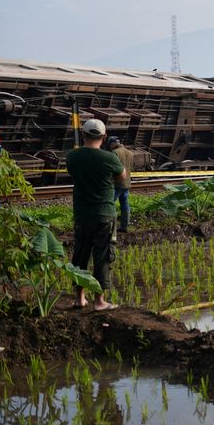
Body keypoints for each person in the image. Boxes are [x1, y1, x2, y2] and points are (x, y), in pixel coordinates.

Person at [66, 119, 126, 310]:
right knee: (103, 257)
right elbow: (121, 177)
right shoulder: (110, 158)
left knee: (80, 255)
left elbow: (73, 174)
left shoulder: (73, 157)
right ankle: (99, 301)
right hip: (104, 214)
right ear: (104, 137)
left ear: (83, 135)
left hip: (82, 214)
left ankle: (79, 299)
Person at [108, 136, 133, 232]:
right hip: (127, 183)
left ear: (113, 143)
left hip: (117, 184)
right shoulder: (130, 153)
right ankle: (124, 227)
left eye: (110, 145)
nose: (109, 147)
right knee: (125, 205)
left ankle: (110, 227)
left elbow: (112, 169)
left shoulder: (115, 153)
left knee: (110, 204)